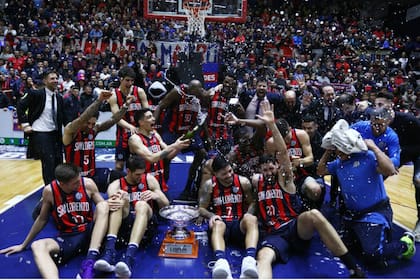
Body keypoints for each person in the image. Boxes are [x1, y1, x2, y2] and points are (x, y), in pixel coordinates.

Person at [254, 101, 365, 279]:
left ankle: (354, 269)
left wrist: (271, 124)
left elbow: (282, 152)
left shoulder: (284, 177)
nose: (268, 172)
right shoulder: (256, 182)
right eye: (264, 169)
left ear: (278, 167)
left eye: (271, 168)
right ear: (259, 170)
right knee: (263, 257)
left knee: (313, 213)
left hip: (294, 227)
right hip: (274, 234)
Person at [317, 119, 416, 266]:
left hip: (375, 213)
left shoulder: (368, 157)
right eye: (337, 149)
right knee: (343, 248)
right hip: (353, 215)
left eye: (339, 149)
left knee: (373, 256)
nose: (338, 152)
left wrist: (375, 148)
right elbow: (320, 171)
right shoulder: (339, 164)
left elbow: (390, 169)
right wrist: (328, 149)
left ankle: (405, 244)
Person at [0, 163, 109, 279]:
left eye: (79, 179)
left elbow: (103, 209)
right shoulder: (50, 191)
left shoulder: (87, 184)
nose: (79, 183)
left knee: (103, 205)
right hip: (68, 237)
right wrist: (24, 244)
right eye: (75, 183)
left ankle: (92, 257)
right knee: (37, 246)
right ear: (62, 184)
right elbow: (42, 219)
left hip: (91, 232)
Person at [94, 155, 169, 278]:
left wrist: (157, 196)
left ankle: (129, 256)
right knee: (119, 202)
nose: (140, 177)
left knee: (141, 205)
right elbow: (109, 210)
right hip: (125, 227)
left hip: (147, 224)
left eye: (142, 174)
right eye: (137, 174)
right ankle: (109, 251)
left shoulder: (149, 179)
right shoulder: (115, 186)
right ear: (128, 171)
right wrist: (120, 200)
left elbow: (166, 206)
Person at [198, 154, 259, 279]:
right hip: (222, 225)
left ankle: (250, 261)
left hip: (238, 226)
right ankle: (221, 263)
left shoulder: (243, 182)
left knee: (251, 219)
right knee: (217, 224)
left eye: (230, 171)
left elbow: (253, 202)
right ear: (215, 174)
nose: (229, 175)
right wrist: (212, 216)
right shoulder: (209, 185)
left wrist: (249, 213)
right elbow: (201, 208)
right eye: (224, 174)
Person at [63, 90, 134, 192]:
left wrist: (126, 105)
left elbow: (113, 120)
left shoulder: (94, 130)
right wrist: (99, 100)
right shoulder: (70, 131)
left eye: (93, 124)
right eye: (88, 123)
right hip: (74, 179)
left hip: (92, 175)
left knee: (124, 179)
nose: (90, 126)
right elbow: (82, 119)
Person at [373, 91, 420, 240]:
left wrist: (400, 154)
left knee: (419, 180)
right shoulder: (378, 122)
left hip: (417, 153)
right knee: (374, 175)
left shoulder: (409, 120)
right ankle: (370, 211)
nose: (377, 107)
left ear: (390, 105)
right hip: (398, 156)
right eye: (376, 105)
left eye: (381, 104)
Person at [128, 108, 191, 196]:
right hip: (143, 185)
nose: (153, 119)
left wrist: (179, 147)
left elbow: (168, 156)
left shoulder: (155, 134)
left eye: (153, 116)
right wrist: (174, 145)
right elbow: (151, 158)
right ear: (141, 122)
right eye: (149, 117)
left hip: (160, 182)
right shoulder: (135, 139)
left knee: (165, 207)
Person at [265, 118, 324, 209]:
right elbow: (270, 165)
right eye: (281, 139)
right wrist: (284, 167)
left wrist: (300, 162)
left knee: (315, 190)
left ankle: (315, 210)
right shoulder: (271, 144)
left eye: (287, 137)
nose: (285, 141)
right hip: (282, 178)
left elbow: (310, 159)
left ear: (290, 129)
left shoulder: (301, 135)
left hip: (301, 175)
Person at [17, 70, 63, 185]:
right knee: (48, 161)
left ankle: (58, 186)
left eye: (56, 78)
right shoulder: (36, 94)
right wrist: (25, 124)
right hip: (40, 133)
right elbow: (20, 106)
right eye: (52, 78)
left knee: (58, 160)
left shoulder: (59, 97)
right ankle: (50, 188)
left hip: (55, 133)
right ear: (45, 81)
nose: (55, 81)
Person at [108, 66, 149, 171]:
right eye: (127, 80)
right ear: (121, 79)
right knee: (119, 165)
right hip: (123, 133)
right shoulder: (114, 95)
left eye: (132, 80)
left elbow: (147, 112)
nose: (130, 83)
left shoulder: (139, 91)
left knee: (139, 165)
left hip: (139, 133)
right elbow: (116, 117)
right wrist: (130, 126)